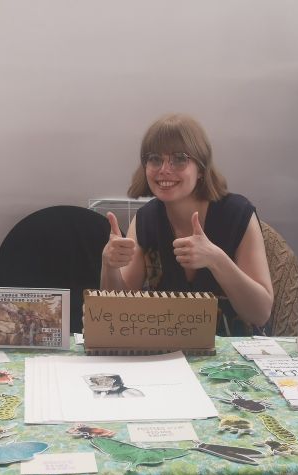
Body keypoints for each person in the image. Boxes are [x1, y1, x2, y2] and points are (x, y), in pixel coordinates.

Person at [100, 113, 273, 336]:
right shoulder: (146, 220)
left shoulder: (237, 213)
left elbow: (260, 313)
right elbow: (115, 312)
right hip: (170, 354)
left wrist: (216, 259)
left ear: (201, 168)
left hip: (236, 357)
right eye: (154, 159)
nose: (164, 169)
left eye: (179, 159)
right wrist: (110, 266)